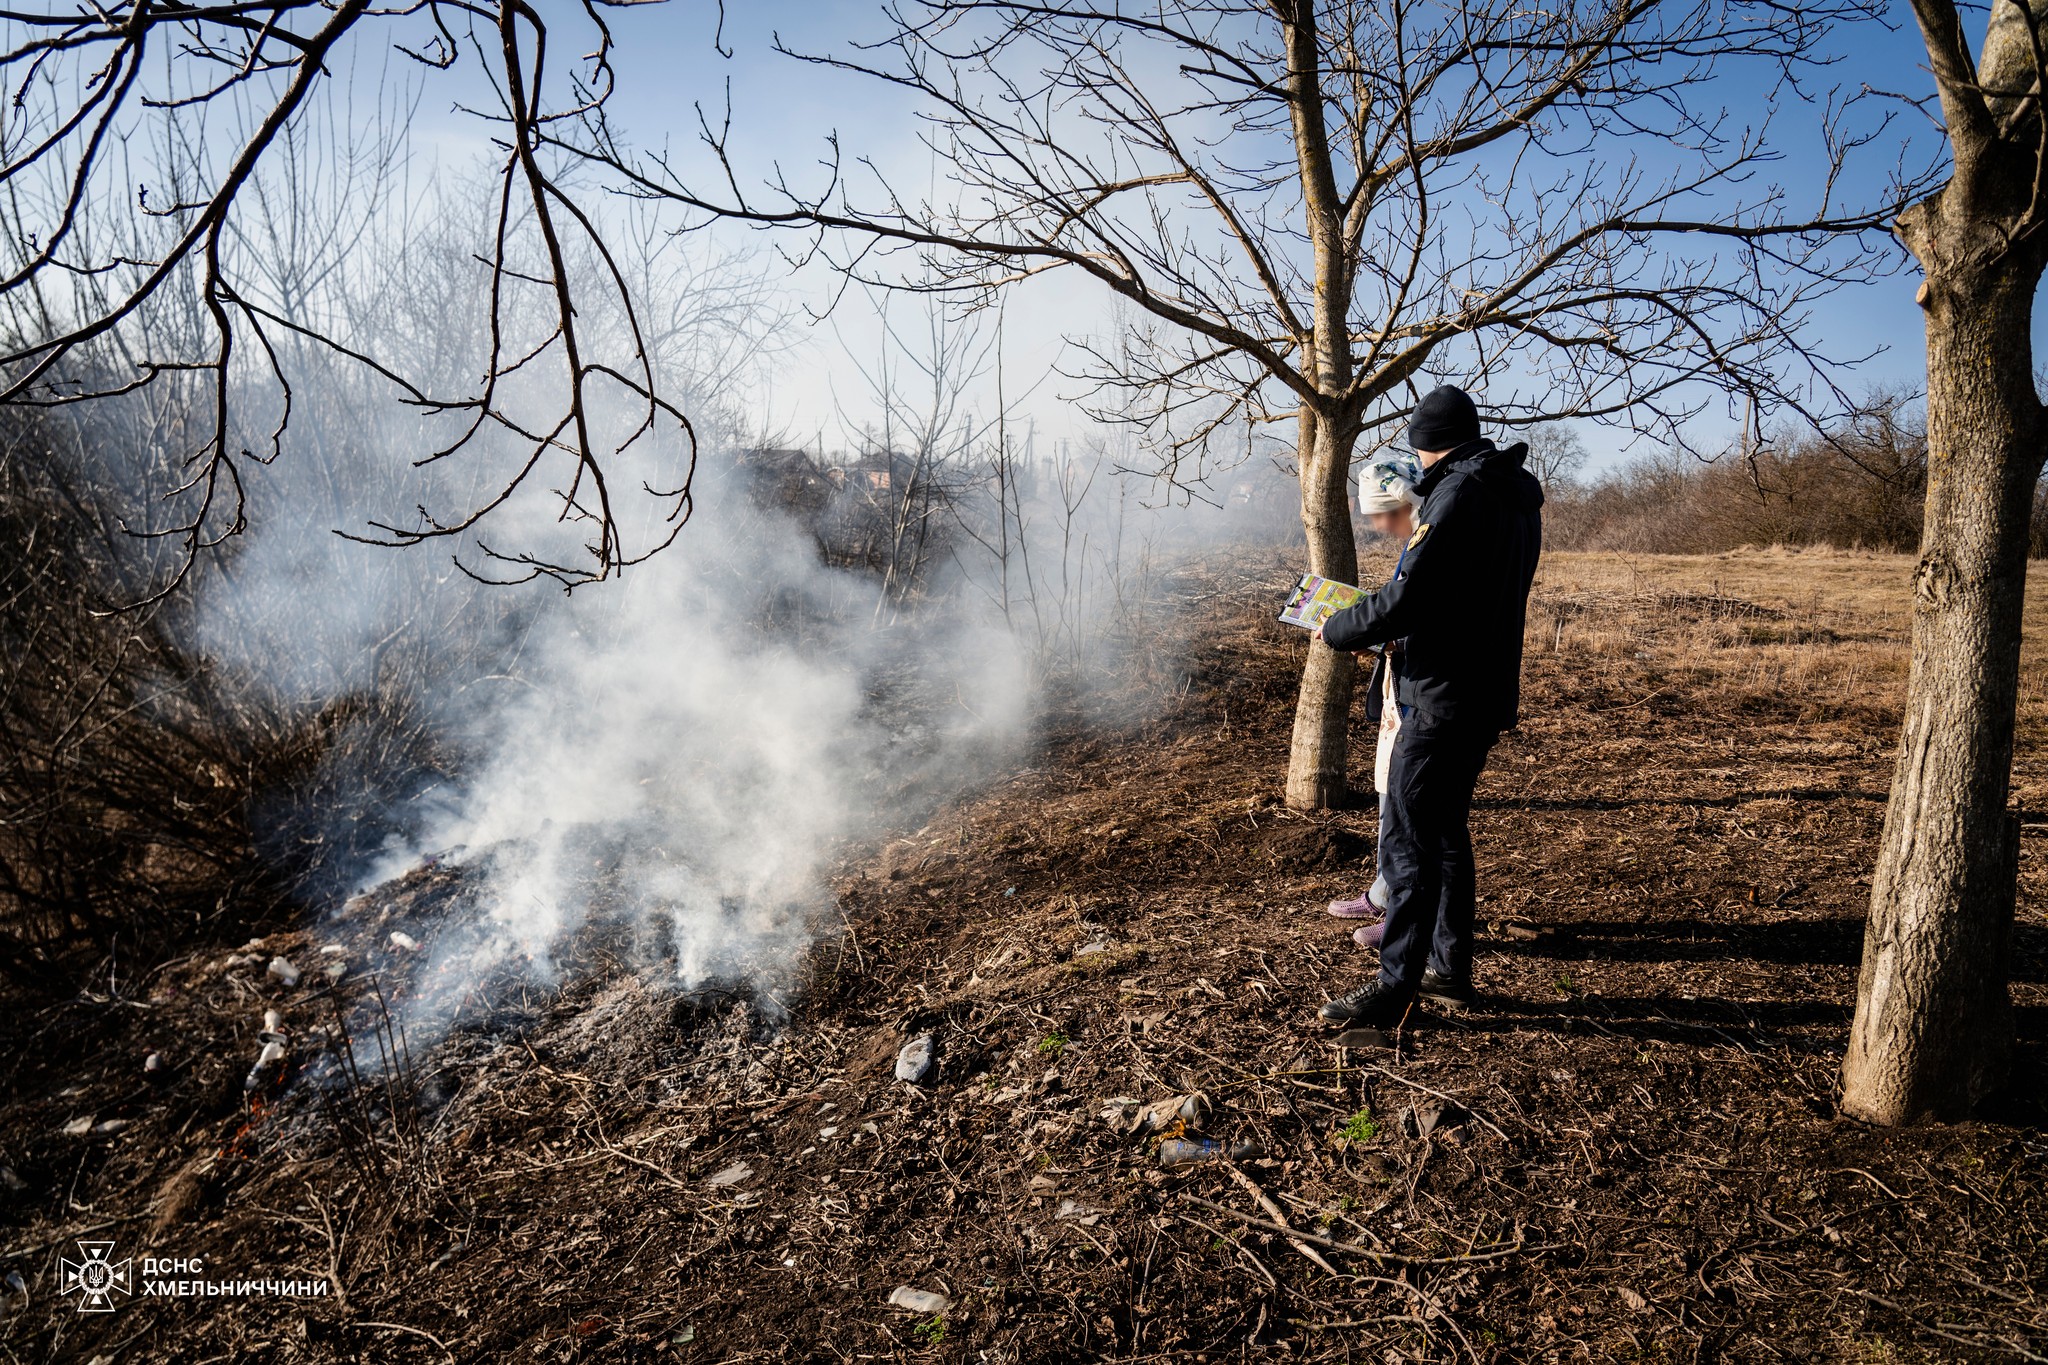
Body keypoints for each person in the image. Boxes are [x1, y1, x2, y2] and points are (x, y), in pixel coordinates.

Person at [1312, 385, 1543, 1028]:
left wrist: (1336, 627)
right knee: (1444, 834)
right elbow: (1462, 597)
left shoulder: (1457, 494)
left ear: (1423, 444)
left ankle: (1395, 990)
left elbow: (1410, 598)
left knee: (1413, 838)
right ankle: (1450, 969)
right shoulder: (1515, 496)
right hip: (1483, 689)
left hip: (1442, 695)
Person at [1325, 455, 1424, 949]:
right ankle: (1384, 893)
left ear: (1404, 503)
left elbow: (1425, 619)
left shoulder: (1433, 541)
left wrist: (1376, 636)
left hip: (1422, 696)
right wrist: (1386, 642)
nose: (1378, 526)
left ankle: (1399, 909)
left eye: (1383, 515)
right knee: (1389, 794)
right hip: (1402, 689)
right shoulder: (1418, 541)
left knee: (1406, 809)